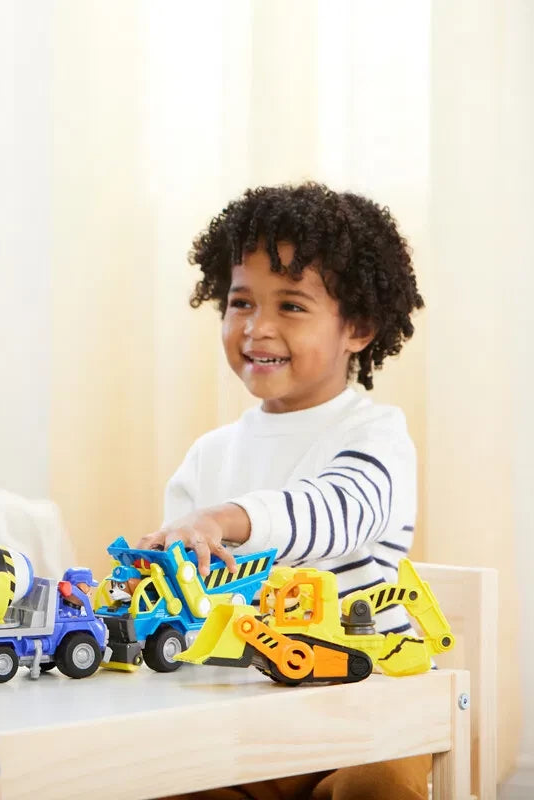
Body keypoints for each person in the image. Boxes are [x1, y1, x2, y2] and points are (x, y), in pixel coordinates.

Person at [138, 184, 430, 800]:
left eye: (291, 306)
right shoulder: (210, 455)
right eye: (241, 302)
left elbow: (333, 511)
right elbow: (181, 591)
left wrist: (224, 518)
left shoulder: (376, 435)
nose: (257, 327)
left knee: (373, 792)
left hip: (370, 706)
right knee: (157, 783)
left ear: (358, 326)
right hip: (249, 724)